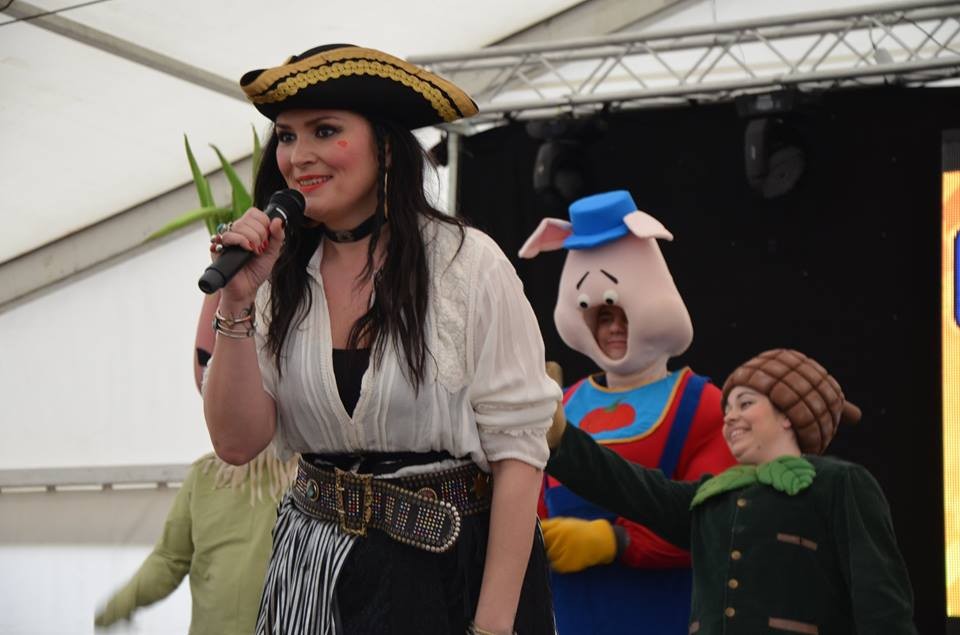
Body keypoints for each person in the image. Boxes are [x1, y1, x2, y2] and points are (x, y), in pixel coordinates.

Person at [202, 44, 560, 635]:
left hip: (445, 577)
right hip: (311, 574)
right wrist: (236, 301)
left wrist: (493, 627)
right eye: (286, 137)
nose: (298, 156)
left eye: (324, 131)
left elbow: (519, 452)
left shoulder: (467, 264)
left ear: (387, 148)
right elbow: (236, 444)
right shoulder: (275, 278)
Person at [545, 348, 918, 635]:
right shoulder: (713, 497)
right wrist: (561, 438)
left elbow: (881, 599)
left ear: (789, 415)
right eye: (727, 408)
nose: (731, 417)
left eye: (746, 403)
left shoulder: (838, 483)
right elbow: (632, 487)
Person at [519, 190, 736, 634]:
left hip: (665, 614)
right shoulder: (562, 403)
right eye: (601, 317)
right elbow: (529, 503)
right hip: (571, 615)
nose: (614, 329)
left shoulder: (701, 403)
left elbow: (718, 522)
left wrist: (616, 541)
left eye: (621, 314)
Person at [96, 293, 296, 633]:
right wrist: (121, 603)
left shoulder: (313, 479)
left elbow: (167, 560)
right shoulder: (205, 477)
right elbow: (169, 559)